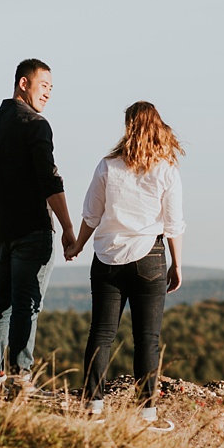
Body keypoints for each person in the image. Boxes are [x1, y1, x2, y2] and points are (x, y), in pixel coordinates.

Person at [0, 57, 78, 397]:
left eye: (51, 88)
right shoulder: (36, 126)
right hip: (32, 228)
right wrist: (67, 228)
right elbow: (49, 180)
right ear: (23, 83)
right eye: (44, 85)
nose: (48, 94)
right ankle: (21, 379)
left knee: (0, 302)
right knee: (27, 302)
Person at [73, 101, 184, 416]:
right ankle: (147, 410)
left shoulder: (108, 166)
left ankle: (93, 405)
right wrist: (177, 265)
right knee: (147, 338)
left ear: (127, 127)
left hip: (107, 257)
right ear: (158, 127)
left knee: (102, 332)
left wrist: (78, 245)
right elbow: (174, 225)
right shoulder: (166, 170)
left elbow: (91, 215)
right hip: (150, 256)